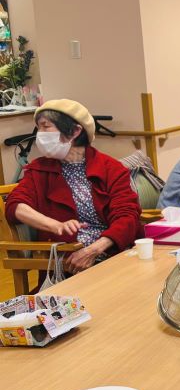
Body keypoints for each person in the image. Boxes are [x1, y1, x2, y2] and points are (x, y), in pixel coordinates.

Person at [5, 99, 142, 274]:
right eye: (38, 128)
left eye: (46, 127)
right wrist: (55, 226)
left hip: (114, 255)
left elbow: (127, 215)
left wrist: (93, 250)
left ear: (75, 131)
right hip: (68, 263)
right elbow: (15, 205)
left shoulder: (111, 169)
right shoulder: (39, 170)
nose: (40, 134)